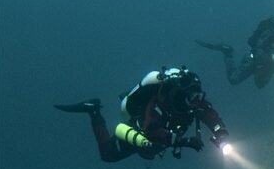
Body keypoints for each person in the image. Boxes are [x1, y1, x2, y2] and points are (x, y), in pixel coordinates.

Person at [54, 68, 229, 162]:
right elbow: (151, 129)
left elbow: (209, 113)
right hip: (144, 127)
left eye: (199, 96)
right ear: (182, 95)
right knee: (108, 154)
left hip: (165, 134)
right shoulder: (160, 101)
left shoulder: (194, 101)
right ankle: (94, 111)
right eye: (193, 97)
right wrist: (183, 141)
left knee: (152, 150)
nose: (197, 101)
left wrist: (220, 133)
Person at [196, 15, 274, 88]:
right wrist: (272, 56)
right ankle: (227, 51)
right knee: (234, 79)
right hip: (255, 60)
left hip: (271, 65)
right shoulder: (272, 34)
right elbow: (259, 48)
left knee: (260, 85)